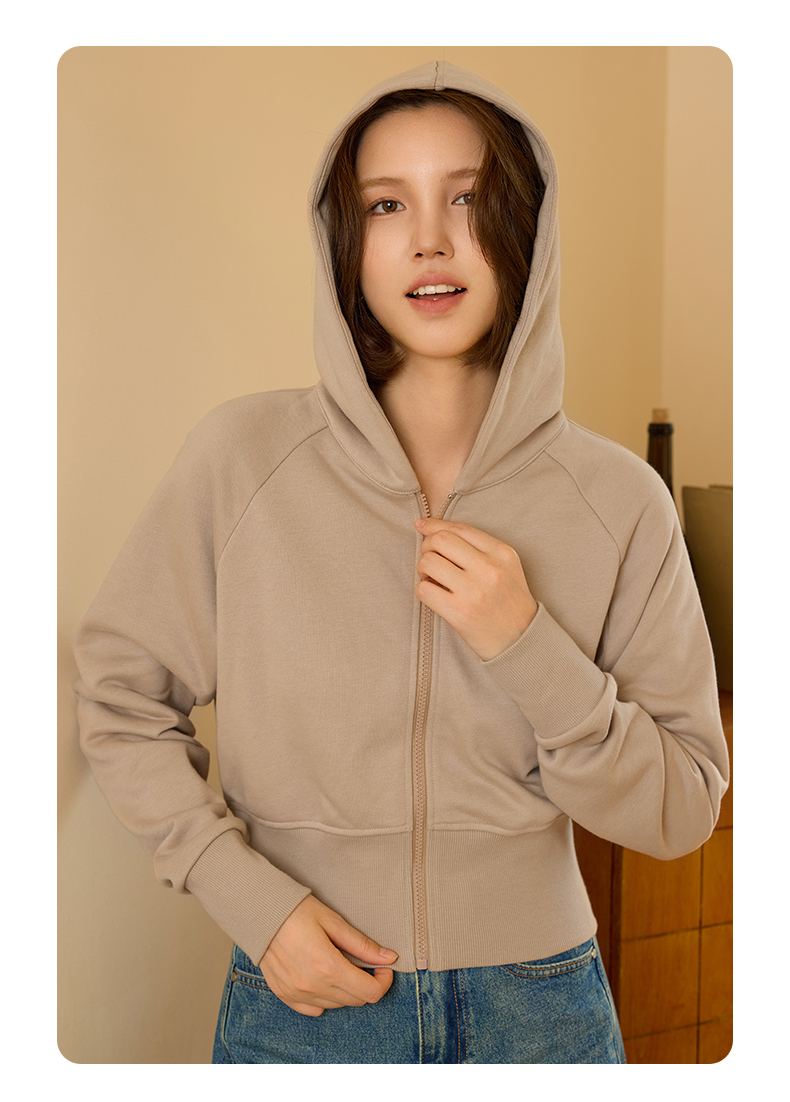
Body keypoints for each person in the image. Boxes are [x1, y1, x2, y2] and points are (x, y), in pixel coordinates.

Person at [74, 61, 729, 1064]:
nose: (430, 238)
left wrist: (528, 646)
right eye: (387, 204)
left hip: (540, 1012)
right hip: (302, 1005)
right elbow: (120, 698)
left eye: (467, 197)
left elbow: (683, 806)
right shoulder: (242, 461)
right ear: (346, 241)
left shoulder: (619, 502)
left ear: (528, 229)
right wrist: (251, 900)